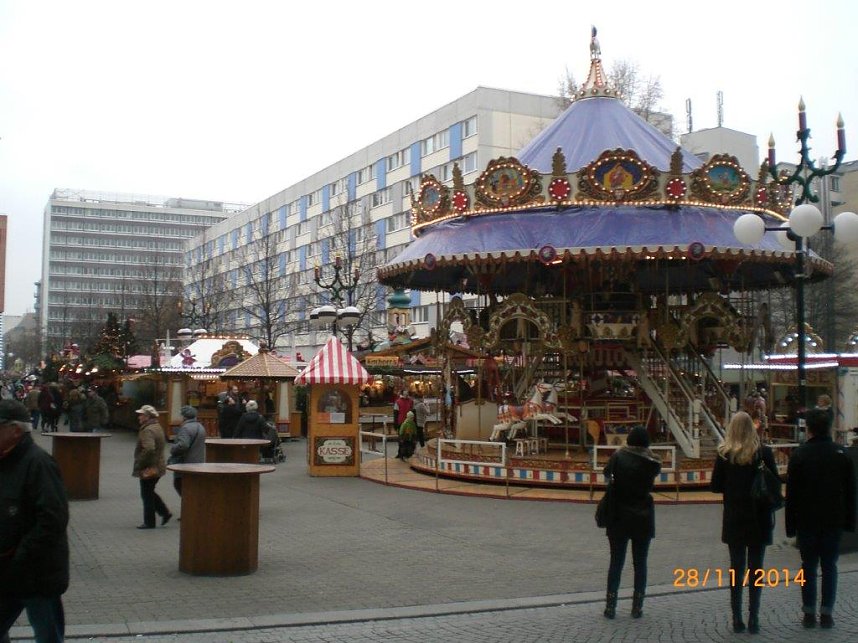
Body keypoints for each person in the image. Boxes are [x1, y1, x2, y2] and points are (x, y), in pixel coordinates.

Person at [0, 399, 69, 643]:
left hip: (37, 573)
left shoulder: (38, 463)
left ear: (15, 430)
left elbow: (53, 518)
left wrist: (22, 553)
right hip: (8, 571)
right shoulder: (5, 459)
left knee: (48, 636)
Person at [785, 407, 856, 629]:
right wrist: (850, 521)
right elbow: (851, 491)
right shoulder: (841, 454)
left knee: (808, 566)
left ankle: (808, 612)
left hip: (806, 521)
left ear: (809, 429)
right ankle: (827, 613)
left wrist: (790, 526)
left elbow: (792, 495)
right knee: (829, 566)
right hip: (833, 520)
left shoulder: (800, 455)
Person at [710, 411, 778, 634]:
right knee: (756, 568)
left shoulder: (724, 454)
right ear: (753, 428)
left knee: (736, 567)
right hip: (759, 517)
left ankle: (737, 617)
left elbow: (716, 486)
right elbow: (774, 482)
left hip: (734, 516)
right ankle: (754, 617)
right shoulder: (763, 453)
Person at [601, 426, 661, 620]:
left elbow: (606, 472)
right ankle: (637, 606)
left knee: (616, 562)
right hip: (643, 515)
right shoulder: (653, 462)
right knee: (640, 563)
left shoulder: (619, 457)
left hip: (619, 513)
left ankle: (610, 606)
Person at [132, 405, 171, 529]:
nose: (139, 417)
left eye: (141, 414)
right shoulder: (157, 426)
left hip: (149, 467)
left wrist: (140, 462)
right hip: (158, 465)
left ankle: (149, 522)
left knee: (146, 494)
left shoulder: (147, 430)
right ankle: (164, 512)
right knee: (149, 492)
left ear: (147, 416)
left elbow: (149, 449)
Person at [169, 406, 207, 497]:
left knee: (180, 485)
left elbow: (183, 445)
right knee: (192, 487)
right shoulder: (200, 426)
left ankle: (189, 508)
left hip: (185, 462)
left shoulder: (185, 428)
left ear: (184, 416)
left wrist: (173, 448)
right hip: (198, 461)